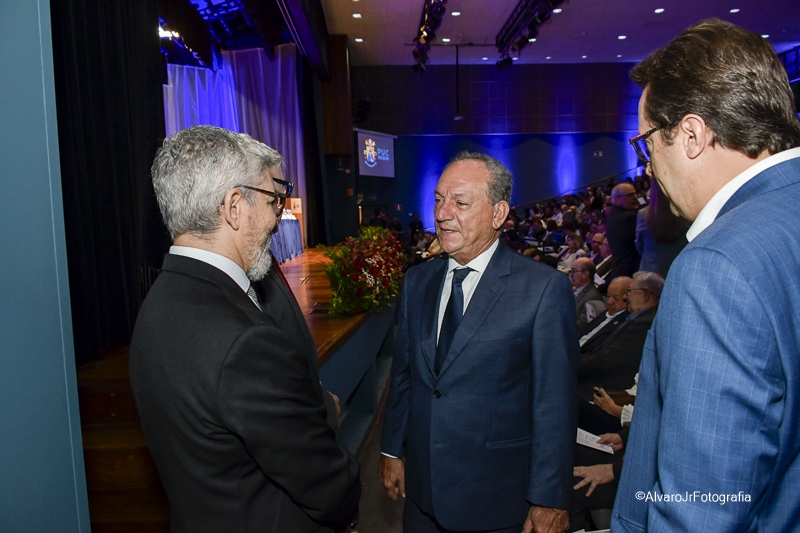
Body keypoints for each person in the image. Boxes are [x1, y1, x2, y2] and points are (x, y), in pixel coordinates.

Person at [612, 19, 800, 532]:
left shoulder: (716, 267)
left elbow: (702, 510)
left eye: (648, 143)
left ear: (692, 135)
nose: (648, 166)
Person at [129, 126, 361, 533]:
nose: (276, 219)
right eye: (271, 202)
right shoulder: (245, 342)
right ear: (234, 206)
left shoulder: (157, 306)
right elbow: (323, 483)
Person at [380, 151, 579, 533]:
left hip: (497, 500)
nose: (442, 213)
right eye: (439, 199)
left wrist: (549, 497)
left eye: (460, 203)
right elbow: (403, 375)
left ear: (498, 213)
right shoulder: (417, 281)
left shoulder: (543, 289)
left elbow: (555, 404)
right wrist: (391, 449)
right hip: (420, 496)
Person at [634, 178, 688, 279]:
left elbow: (639, 245)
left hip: (648, 274)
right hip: (676, 272)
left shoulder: (643, 214)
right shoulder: (684, 213)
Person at [605, 183, 640, 281]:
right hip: (630, 271)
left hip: (619, 269)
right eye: (630, 195)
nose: (635, 197)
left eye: (635, 194)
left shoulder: (613, 217)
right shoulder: (628, 217)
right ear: (617, 200)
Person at [569, 257, 606, 336]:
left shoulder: (593, 297)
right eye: (570, 271)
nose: (570, 275)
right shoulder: (576, 289)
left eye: (574, 271)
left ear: (585, 274)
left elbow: (581, 326)